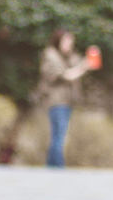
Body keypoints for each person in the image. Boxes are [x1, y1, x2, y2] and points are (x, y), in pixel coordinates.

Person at [37, 30, 90, 167]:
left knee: (59, 134)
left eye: (71, 41)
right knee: (59, 133)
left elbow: (77, 66)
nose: (69, 44)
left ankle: (51, 165)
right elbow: (65, 75)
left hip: (68, 101)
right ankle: (58, 165)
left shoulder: (70, 56)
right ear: (58, 41)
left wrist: (86, 62)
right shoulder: (51, 55)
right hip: (56, 100)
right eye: (66, 41)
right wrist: (82, 68)